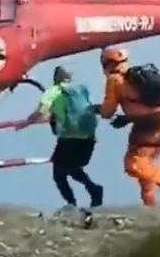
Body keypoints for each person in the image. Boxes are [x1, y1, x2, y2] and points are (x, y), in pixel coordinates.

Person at [96, 46, 160, 206]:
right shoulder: (136, 76)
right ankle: (151, 207)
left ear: (106, 63)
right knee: (148, 164)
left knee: (133, 164)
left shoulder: (115, 79)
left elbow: (108, 111)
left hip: (149, 124)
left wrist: (97, 109)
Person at [18, 65, 104, 210]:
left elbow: (41, 111)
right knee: (71, 168)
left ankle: (73, 203)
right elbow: (92, 108)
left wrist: (25, 123)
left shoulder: (53, 91)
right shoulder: (81, 89)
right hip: (89, 137)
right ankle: (92, 191)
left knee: (59, 174)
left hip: (69, 137)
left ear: (55, 78)